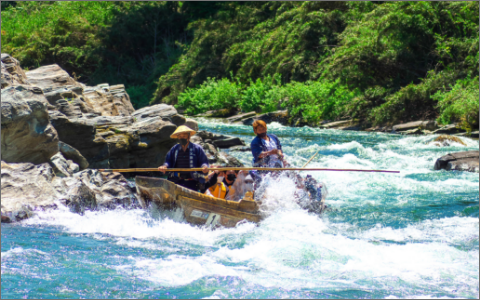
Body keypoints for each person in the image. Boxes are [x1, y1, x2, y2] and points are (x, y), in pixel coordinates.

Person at [158, 125, 209, 191]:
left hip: (192, 182)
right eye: (180, 136)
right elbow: (168, 161)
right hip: (177, 181)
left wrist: (204, 167)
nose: (182, 138)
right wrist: (164, 166)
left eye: (184, 136)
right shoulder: (174, 149)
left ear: (189, 136)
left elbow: (203, 162)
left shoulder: (197, 148)